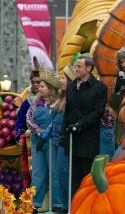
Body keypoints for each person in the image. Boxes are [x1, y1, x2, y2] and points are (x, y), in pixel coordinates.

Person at [61, 56, 107, 197]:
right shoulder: (71, 86)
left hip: (88, 140)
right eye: (76, 66)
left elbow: (97, 113)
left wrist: (79, 125)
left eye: (79, 66)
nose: (76, 69)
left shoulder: (100, 88)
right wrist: (63, 133)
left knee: (87, 178)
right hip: (72, 140)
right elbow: (67, 111)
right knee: (73, 178)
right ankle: (74, 208)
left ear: (89, 68)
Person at [37, 64, 75, 213]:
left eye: (64, 78)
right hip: (57, 141)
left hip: (66, 142)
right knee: (59, 173)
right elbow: (54, 123)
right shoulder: (61, 99)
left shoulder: (72, 100)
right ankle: (65, 204)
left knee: (65, 173)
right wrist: (44, 137)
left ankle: (70, 203)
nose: (61, 80)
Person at [26, 68, 62, 213]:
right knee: (38, 173)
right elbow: (29, 119)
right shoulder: (35, 103)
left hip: (52, 142)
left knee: (55, 173)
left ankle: (58, 203)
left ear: (50, 88)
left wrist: (46, 134)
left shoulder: (58, 103)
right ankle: (35, 204)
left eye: (42, 86)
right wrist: (39, 133)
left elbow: (57, 121)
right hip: (38, 143)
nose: (38, 88)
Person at [15, 68, 41, 188]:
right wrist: (19, 135)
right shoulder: (26, 103)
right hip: (31, 141)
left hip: (48, 140)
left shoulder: (50, 100)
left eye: (38, 82)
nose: (36, 85)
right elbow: (20, 121)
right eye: (33, 82)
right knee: (31, 171)